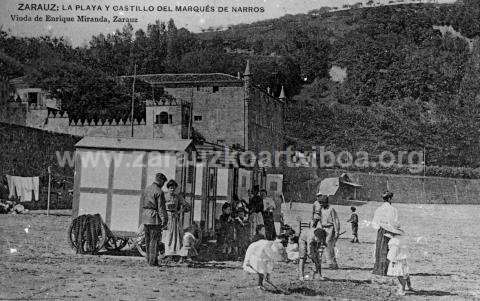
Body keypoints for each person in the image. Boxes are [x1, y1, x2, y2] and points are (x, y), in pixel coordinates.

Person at [141, 173, 168, 266]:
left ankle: (149, 260)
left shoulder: (147, 189)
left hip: (145, 217)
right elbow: (161, 208)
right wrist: (164, 220)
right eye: (163, 182)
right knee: (154, 241)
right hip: (154, 218)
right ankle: (153, 262)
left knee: (147, 241)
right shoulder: (159, 192)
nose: (163, 185)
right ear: (160, 181)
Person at [371, 191, 399, 278]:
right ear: (390, 199)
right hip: (389, 231)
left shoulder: (379, 209)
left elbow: (374, 223)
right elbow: (394, 222)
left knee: (380, 249)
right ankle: (387, 270)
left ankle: (379, 269)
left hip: (380, 231)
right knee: (389, 250)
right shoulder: (392, 209)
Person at [162, 179, 191, 258]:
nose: (172, 189)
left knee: (176, 235)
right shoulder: (164, 196)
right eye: (170, 188)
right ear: (168, 188)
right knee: (167, 234)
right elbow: (160, 207)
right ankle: (167, 252)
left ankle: (176, 252)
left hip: (175, 218)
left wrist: (180, 211)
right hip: (166, 217)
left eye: (173, 188)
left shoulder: (178, 197)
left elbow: (187, 206)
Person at [384, 223, 413, 295]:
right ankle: (409, 286)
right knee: (405, 272)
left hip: (397, 259)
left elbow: (394, 251)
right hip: (403, 258)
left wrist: (392, 260)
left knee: (399, 274)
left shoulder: (394, 241)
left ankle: (402, 289)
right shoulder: (401, 238)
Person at [316, 196, 340, 269]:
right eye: (320, 204)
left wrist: (337, 231)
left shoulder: (331, 209)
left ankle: (331, 263)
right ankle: (333, 264)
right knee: (325, 246)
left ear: (326, 202)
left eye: (322, 203)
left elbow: (336, 220)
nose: (321, 205)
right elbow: (320, 219)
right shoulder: (321, 209)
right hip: (323, 229)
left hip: (331, 228)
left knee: (328, 245)